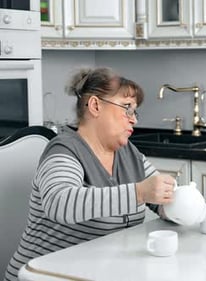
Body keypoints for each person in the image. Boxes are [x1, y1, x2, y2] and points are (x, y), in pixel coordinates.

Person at [4, 67, 177, 280]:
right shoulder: (65, 150)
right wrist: (139, 192)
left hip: (94, 272)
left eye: (135, 111)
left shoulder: (128, 153)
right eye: (127, 108)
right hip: (43, 275)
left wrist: (175, 206)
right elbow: (60, 203)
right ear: (96, 106)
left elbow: (162, 198)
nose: (134, 120)